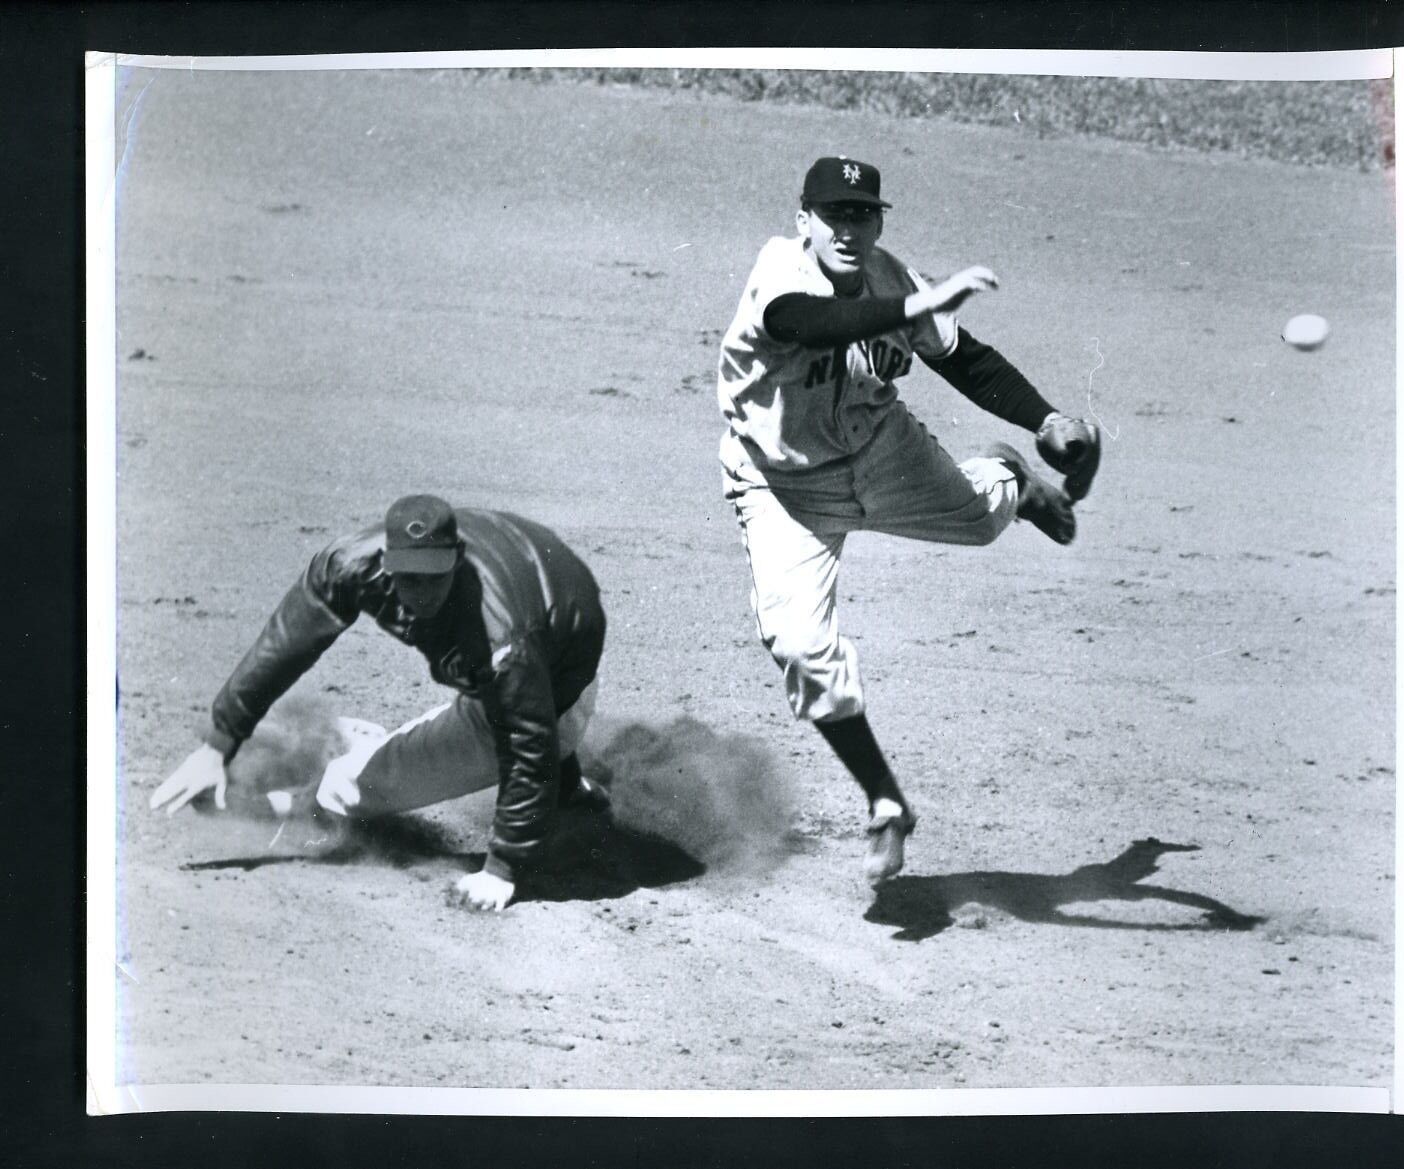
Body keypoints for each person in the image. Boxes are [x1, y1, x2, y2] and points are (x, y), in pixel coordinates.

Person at [716, 155, 1101, 887]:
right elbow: (807, 321)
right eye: (834, 214)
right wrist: (914, 308)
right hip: (782, 488)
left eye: (864, 214)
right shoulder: (779, 271)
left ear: (878, 220)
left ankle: (1012, 478)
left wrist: (1045, 416)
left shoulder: (895, 279)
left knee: (986, 520)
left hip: (879, 449)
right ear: (805, 220)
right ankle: (886, 800)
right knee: (798, 645)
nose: (849, 228)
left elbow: (966, 360)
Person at [150, 494, 608, 912]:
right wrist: (217, 744)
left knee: (358, 784)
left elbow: (528, 741)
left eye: (434, 577)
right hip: (548, 639)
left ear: (458, 559)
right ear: (385, 560)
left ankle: (287, 804)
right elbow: (285, 645)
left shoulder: (505, 641)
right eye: (408, 577)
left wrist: (502, 868)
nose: (420, 592)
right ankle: (565, 783)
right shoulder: (348, 564)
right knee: (493, 692)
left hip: (554, 686)